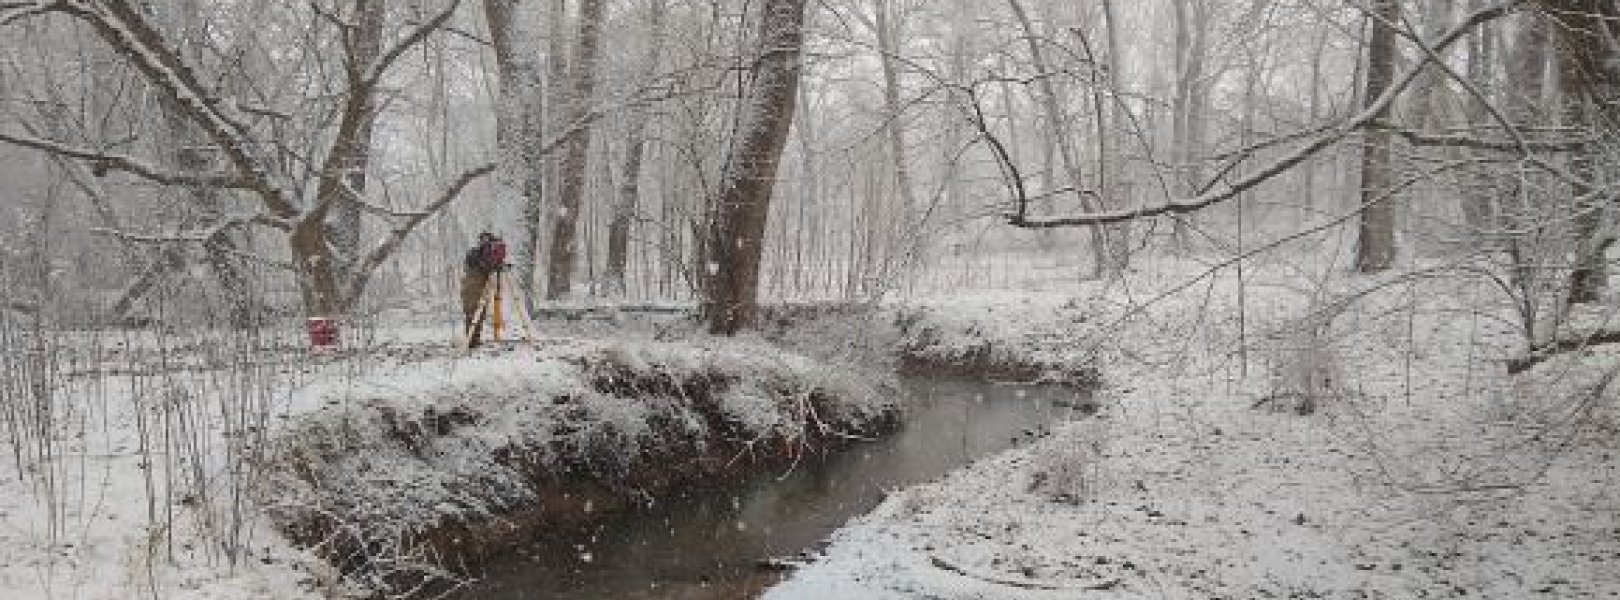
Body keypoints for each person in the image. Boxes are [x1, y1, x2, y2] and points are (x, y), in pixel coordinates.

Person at [461, 231, 506, 348]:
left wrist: (492, 265)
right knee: (473, 310)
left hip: (477, 283)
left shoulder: (477, 253)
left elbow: (487, 265)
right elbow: (482, 265)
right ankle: (471, 340)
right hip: (474, 284)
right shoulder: (475, 254)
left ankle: (473, 339)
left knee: (477, 311)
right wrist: (489, 265)